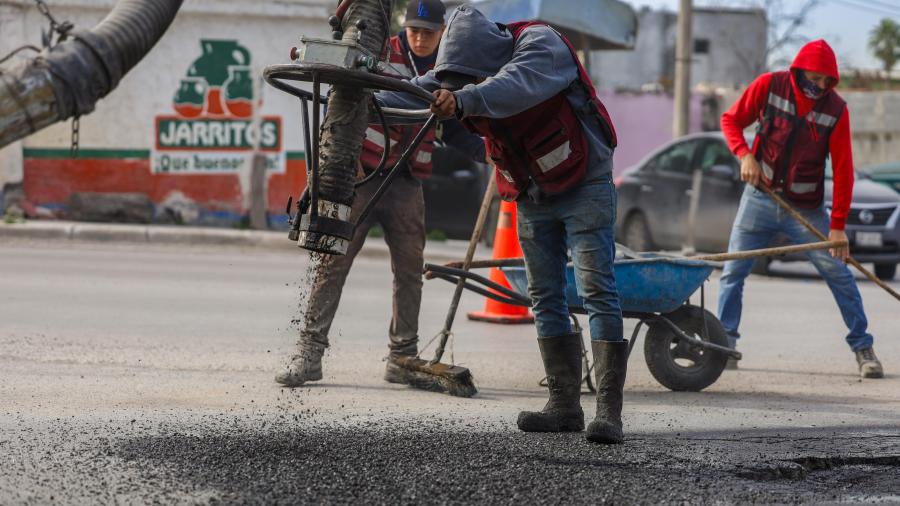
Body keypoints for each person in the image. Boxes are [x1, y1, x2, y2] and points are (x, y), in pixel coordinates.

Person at [378, 6, 627, 444]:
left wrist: (465, 100)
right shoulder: (461, 76)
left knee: (596, 291)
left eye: (468, 81)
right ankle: (564, 406)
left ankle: (608, 414)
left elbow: (513, 88)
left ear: (488, 58)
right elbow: (411, 93)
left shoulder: (541, 45)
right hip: (532, 191)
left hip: (585, 183)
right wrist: (357, 94)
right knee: (545, 297)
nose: (460, 88)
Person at [276, 0, 485, 388]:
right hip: (363, 174)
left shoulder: (449, 71)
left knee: (410, 270)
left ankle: (402, 355)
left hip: (406, 184)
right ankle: (309, 353)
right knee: (332, 260)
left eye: (428, 32)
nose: (420, 38)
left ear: (442, 33)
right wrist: (341, 159)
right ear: (404, 28)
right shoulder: (378, 51)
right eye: (414, 30)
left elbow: (458, 129)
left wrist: (493, 154)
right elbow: (343, 101)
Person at [718, 39, 884, 379]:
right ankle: (725, 345)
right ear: (800, 70)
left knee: (839, 274)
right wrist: (745, 154)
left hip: (807, 210)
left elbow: (843, 170)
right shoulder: (769, 85)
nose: (821, 86)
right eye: (817, 78)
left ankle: (863, 348)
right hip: (759, 198)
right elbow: (730, 121)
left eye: (828, 81)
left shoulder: (836, 110)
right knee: (733, 272)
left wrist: (837, 227)